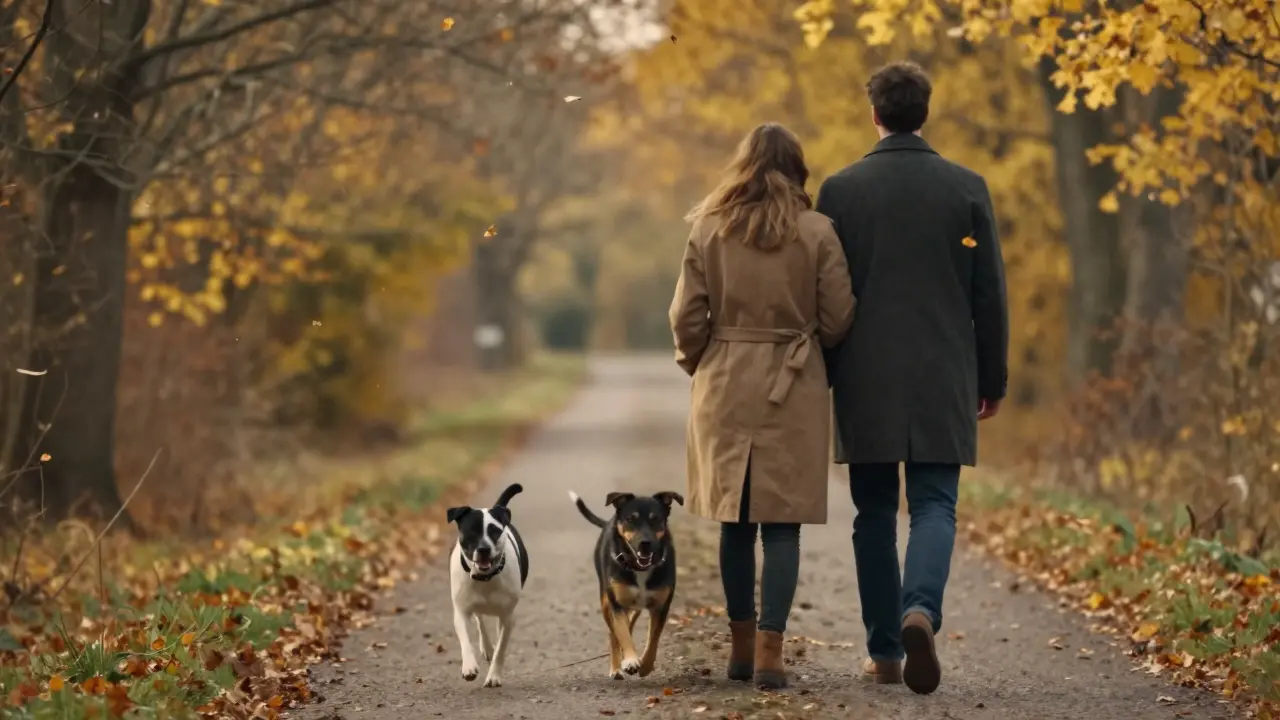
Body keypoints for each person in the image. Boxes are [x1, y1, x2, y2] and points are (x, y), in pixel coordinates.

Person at [815, 61, 1009, 695]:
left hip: (865, 375)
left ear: (875, 115)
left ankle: (885, 652)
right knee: (933, 505)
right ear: (925, 113)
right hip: (943, 372)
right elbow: (990, 295)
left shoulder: (840, 192)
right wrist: (992, 377)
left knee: (872, 512)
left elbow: (827, 294)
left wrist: (824, 373)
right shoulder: (967, 188)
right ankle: (919, 609)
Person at [669, 122, 856, 690]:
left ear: (741, 166)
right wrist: (810, 347)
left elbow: (685, 317)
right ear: (798, 168)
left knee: (734, 522)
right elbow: (840, 315)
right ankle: (773, 654)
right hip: (792, 383)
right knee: (781, 527)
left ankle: (741, 649)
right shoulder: (819, 231)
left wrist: (699, 360)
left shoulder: (708, 228)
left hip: (723, 380)